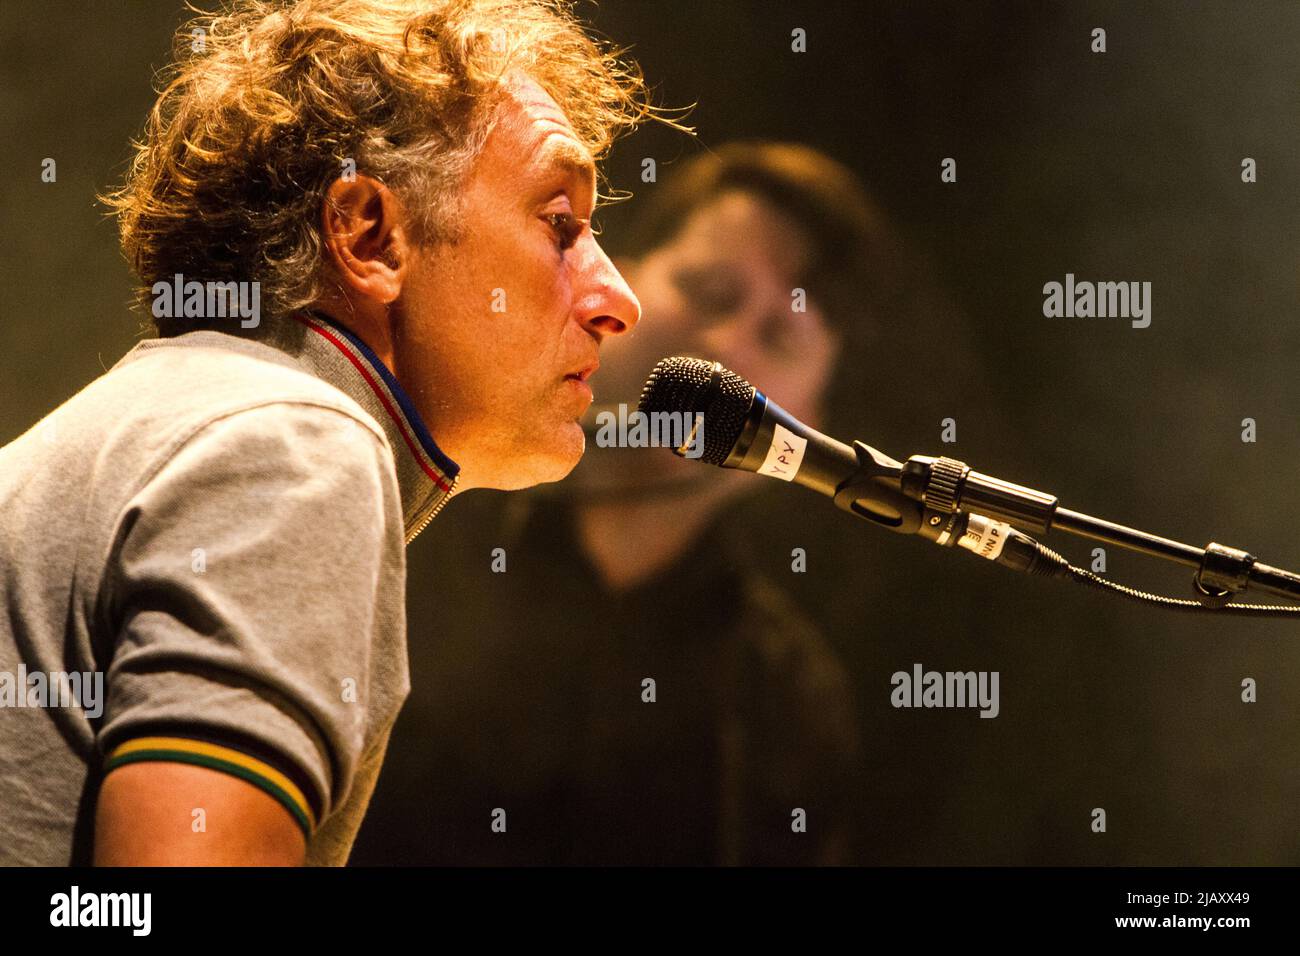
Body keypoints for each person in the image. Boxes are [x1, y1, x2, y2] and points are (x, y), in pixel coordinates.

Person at [0, 0, 672, 866]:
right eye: (561, 224)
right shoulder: (293, 447)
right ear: (368, 236)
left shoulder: (166, 421)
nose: (618, 297)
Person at [351, 142, 896, 865]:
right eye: (707, 291)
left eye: (778, 336)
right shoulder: (411, 523)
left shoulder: (788, 697)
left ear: (814, 422)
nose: (727, 344)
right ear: (621, 285)